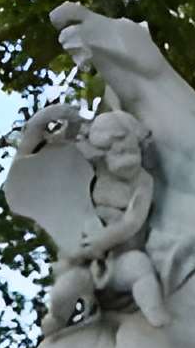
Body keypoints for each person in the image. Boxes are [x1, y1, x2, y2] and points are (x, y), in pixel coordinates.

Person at [45, 109, 169, 331]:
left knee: (140, 267)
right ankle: (55, 319)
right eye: (112, 145)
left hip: (121, 256)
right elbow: (64, 154)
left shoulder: (143, 181)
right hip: (85, 262)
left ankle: (155, 313)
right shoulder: (93, 174)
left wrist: (105, 240)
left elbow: (133, 221)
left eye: (125, 141)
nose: (121, 148)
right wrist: (60, 134)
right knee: (65, 288)